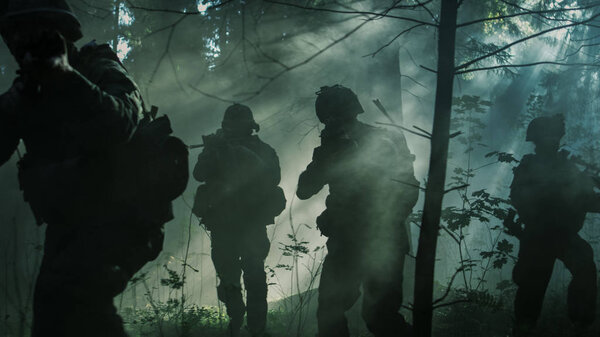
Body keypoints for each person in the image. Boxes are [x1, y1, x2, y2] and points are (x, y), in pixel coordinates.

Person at [0, 1, 173, 336]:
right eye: (15, 36)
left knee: (76, 298)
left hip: (125, 216)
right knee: (53, 316)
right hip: (72, 221)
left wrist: (66, 78)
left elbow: (121, 120)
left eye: (32, 34)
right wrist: (18, 101)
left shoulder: (99, 66)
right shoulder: (28, 89)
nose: (21, 44)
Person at [296, 85, 419, 337]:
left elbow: (406, 190)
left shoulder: (380, 141)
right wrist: (327, 155)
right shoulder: (339, 147)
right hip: (363, 241)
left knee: (373, 317)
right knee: (366, 316)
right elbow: (304, 189)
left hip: (370, 241)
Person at [192, 104, 286, 337]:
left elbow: (272, 178)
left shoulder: (263, 150)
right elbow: (199, 174)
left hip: (251, 223)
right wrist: (212, 150)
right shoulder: (218, 149)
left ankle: (256, 328)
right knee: (228, 278)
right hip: (224, 224)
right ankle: (236, 318)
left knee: (254, 276)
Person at [510, 114, 600, 336]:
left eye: (555, 136)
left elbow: (590, 200)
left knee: (584, 267)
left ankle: (580, 326)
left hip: (559, 235)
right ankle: (526, 329)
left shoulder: (569, 167)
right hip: (539, 236)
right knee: (531, 292)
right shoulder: (531, 167)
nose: (553, 141)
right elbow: (519, 199)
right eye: (550, 136)